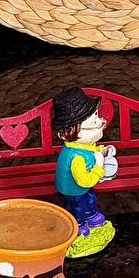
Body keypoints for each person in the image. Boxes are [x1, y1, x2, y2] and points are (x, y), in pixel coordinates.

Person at [52, 87, 117, 237]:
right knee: (77, 207)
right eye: (94, 123)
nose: (101, 123)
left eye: (97, 118)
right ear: (69, 133)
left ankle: (91, 216)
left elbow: (91, 151)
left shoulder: (82, 146)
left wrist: (103, 151)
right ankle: (77, 225)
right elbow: (84, 181)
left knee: (90, 198)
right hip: (73, 189)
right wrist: (99, 167)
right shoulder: (77, 158)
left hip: (83, 188)